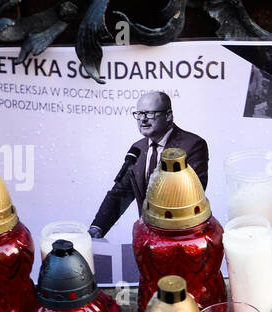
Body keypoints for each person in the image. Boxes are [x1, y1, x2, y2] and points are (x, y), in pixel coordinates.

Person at [88, 90, 209, 239]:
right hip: (146, 241)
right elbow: (120, 194)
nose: (143, 120)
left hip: (182, 239)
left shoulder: (192, 145)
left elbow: (191, 194)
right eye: (139, 114)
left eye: (150, 113)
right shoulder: (138, 149)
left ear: (168, 116)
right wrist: (96, 229)